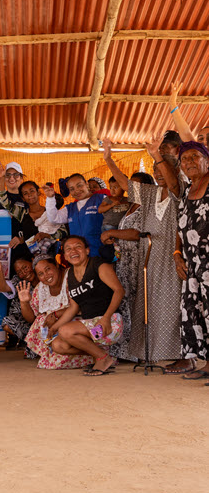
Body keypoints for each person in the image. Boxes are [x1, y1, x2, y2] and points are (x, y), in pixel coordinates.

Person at [103, 137, 184, 370]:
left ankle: (180, 353)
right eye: (155, 170)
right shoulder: (150, 194)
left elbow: (174, 185)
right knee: (150, 304)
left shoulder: (181, 191)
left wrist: (156, 156)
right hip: (149, 255)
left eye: (164, 169)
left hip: (172, 255)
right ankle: (152, 352)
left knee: (173, 304)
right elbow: (127, 185)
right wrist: (109, 160)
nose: (159, 173)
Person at [47, 235, 125, 376]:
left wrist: (106, 318)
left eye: (78, 247)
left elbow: (119, 290)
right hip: (91, 326)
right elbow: (73, 308)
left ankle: (103, 358)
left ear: (87, 250)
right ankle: (100, 354)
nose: (73, 251)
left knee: (66, 331)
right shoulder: (70, 274)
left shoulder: (98, 265)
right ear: (64, 255)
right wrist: (54, 327)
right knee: (58, 345)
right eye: (68, 249)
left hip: (110, 323)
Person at [100, 172, 155, 362]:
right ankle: (126, 350)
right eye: (132, 185)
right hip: (124, 261)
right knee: (125, 303)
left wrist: (114, 232)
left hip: (138, 262)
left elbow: (136, 233)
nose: (134, 189)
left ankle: (139, 351)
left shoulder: (147, 207)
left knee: (138, 305)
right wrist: (114, 238)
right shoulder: (130, 206)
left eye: (139, 186)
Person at [171, 141, 209, 381]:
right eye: (185, 159)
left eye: (195, 157)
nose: (189, 163)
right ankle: (206, 363)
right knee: (194, 312)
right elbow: (180, 226)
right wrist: (177, 255)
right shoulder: (187, 190)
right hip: (190, 263)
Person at [22, 255, 93, 370]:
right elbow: (31, 318)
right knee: (41, 320)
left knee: (56, 358)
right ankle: (91, 354)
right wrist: (24, 302)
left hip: (78, 321)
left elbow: (82, 306)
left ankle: (94, 353)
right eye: (40, 274)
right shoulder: (40, 288)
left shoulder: (72, 277)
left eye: (48, 269)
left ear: (56, 265)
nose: (46, 276)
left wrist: (56, 314)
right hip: (55, 333)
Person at [43, 173, 106, 257]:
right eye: (72, 189)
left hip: (100, 255)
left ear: (87, 184)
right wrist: (50, 198)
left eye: (79, 186)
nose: (76, 191)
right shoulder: (70, 208)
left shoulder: (102, 199)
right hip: (79, 258)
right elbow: (54, 218)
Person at [0, 252, 38, 351]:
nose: (24, 273)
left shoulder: (44, 276)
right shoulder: (19, 281)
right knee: (7, 323)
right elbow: (3, 287)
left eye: (25, 267)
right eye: (19, 271)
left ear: (32, 261)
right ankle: (30, 341)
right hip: (27, 321)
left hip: (44, 319)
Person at [17, 180, 67, 256]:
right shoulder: (22, 214)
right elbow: (5, 202)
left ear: (38, 192)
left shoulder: (50, 212)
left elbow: (64, 232)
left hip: (49, 258)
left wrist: (47, 235)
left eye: (32, 191)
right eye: (25, 193)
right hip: (28, 258)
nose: (29, 195)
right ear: (23, 198)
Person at [167, 80, 209, 145]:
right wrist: (172, 103)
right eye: (201, 139)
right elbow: (185, 133)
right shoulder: (197, 150)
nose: (205, 141)